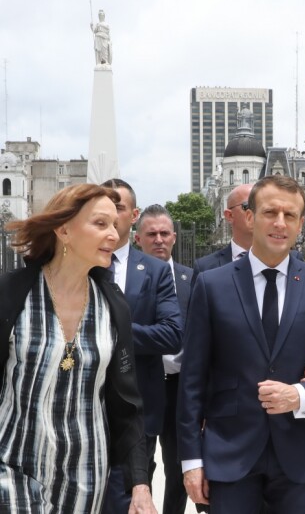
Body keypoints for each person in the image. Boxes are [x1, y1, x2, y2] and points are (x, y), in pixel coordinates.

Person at [178, 174, 305, 514]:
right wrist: (191, 460)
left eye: (290, 215)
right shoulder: (211, 285)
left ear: (301, 223)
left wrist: (302, 395)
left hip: (299, 454)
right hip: (230, 454)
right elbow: (191, 380)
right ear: (249, 217)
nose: (280, 223)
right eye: (270, 213)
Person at [0, 184, 156, 513]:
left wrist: (140, 484)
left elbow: (127, 406)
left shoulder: (113, 307)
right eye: (100, 224)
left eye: (115, 224)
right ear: (64, 230)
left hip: (86, 478)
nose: (113, 234)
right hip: (13, 466)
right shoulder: (12, 294)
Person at [102, 179, 183, 513]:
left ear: (132, 215)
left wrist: (111, 331)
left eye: (118, 207)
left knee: (132, 495)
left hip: (138, 407)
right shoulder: (79, 266)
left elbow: (171, 334)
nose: (110, 215)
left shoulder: (155, 271)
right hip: (82, 409)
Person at [135, 204, 197, 514]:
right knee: (140, 465)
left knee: (178, 468)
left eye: (164, 233)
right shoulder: (131, 281)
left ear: (174, 237)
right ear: (138, 239)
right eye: (151, 234)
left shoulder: (191, 279)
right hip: (142, 385)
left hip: (179, 388)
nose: (159, 239)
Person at [192, 183, 254, 282]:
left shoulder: (283, 262)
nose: (256, 212)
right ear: (229, 216)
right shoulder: (206, 268)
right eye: (248, 206)